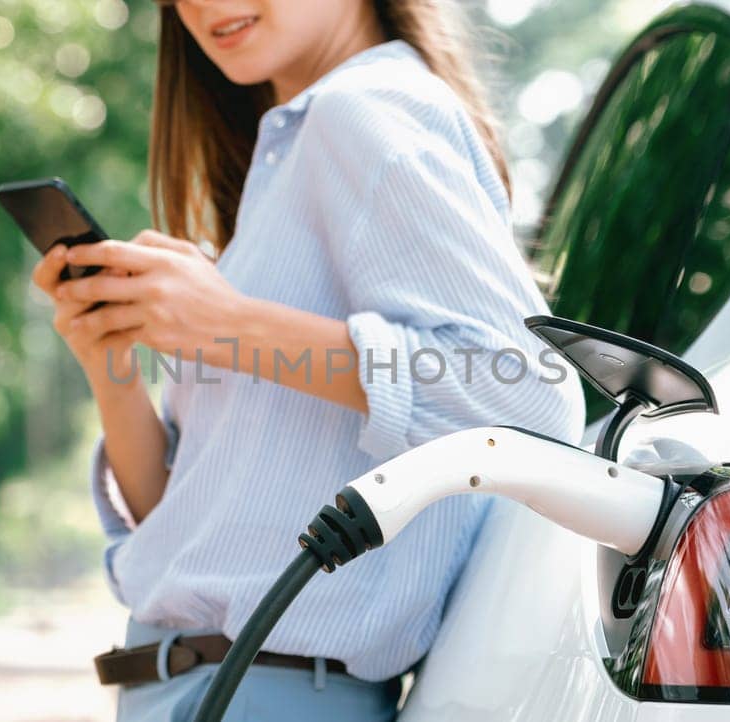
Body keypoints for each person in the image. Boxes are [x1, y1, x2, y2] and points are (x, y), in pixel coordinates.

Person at [29, 0, 583, 719]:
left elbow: (528, 396)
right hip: (187, 685)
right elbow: (182, 520)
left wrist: (229, 324)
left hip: (270, 689)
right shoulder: (287, 163)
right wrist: (108, 359)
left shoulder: (369, 108)